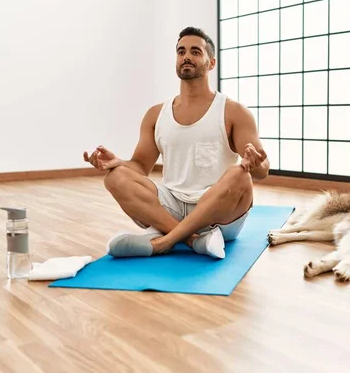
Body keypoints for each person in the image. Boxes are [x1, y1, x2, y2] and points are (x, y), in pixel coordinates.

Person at [83, 27, 270, 259]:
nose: (186, 57)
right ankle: (192, 240)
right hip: (171, 208)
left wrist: (254, 164)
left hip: (218, 213)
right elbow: (140, 167)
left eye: (195, 52)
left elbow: (262, 171)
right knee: (115, 177)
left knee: (240, 175)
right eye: (181, 52)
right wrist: (117, 162)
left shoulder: (234, 111)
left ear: (211, 63)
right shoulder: (156, 114)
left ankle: (165, 242)